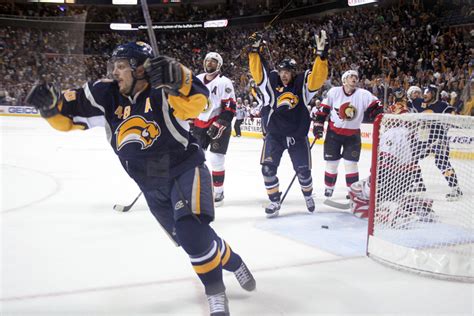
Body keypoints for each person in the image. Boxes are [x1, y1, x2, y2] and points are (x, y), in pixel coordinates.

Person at [25, 41, 255, 316]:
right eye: (115, 66)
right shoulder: (106, 93)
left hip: (183, 166)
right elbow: (68, 116)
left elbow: (198, 103)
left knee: (191, 233)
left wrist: (177, 75)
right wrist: (52, 107)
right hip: (149, 181)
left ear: (140, 68)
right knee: (195, 239)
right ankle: (235, 261)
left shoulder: (164, 90)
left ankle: (216, 294)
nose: (116, 72)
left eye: (122, 66)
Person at [248, 30, 329, 217]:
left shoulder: (301, 84)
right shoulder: (270, 83)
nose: (284, 75)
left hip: (296, 135)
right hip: (275, 135)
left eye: (288, 72)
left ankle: (308, 195)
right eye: (282, 71)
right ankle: (274, 201)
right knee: (267, 170)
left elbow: (317, 77)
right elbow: (258, 71)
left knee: (303, 172)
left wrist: (321, 56)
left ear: (293, 73)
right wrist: (254, 51)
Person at [313, 70, 383, 198]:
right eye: (351, 76)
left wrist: (379, 118)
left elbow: (378, 108)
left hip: (353, 135)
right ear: (344, 80)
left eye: (356, 77)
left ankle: (352, 191)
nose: (354, 79)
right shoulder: (334, 92)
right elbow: (324, 110)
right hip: (333, 134)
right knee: (332, 163)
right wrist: (318, 125)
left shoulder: (364, 94)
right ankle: (329, 188)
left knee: (351, 164)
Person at [192, 52, 236, 205]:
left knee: (216, 158)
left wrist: (220, 123)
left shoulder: (225, 82)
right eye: (208, 61)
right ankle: (199, 189)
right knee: (196, 159)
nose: (210, 63)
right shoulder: (196, 79)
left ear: (219, 65)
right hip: (199, 124)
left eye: (213, 61)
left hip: (218, 124)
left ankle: (218, 192)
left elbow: (230, 108)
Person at [408, 84, 463, 200]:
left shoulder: (441, 105)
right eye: (424, 91)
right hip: (424, 139)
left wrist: (452, 107)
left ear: (434, 94)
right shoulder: (418, 102)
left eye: (428, 92)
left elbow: (452, 114)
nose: (424, 94)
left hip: (439, 138)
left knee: (441, 162)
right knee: (411, 157)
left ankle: (455, 188)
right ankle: (419, 184)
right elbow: (408, 101)